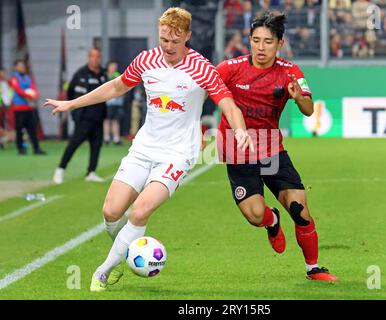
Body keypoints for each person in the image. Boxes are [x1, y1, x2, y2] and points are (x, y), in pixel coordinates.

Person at [44, 7, 253, 292]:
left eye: (174, 41)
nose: (168, 46)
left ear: (188, 37)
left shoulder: (202, 68)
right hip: (144, 148)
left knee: (139, 211)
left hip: (179, 153)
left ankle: (103, 272)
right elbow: (117, 87)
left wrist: (240, 130)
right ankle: (130, 251)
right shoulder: (146, 60)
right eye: (164, 39)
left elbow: (228, 103)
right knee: (110, 212)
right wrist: (71, 103)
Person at [216, 12, 337, 282]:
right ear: (249, 40)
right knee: (255, 214)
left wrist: (298, 98)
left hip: (271, 148)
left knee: (299, 209)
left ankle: (313, 268)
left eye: (268, 42)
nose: (261, 47)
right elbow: (206, 88)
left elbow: (308, 109)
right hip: (237, 148)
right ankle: (272, 221)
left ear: (279, 43)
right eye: (256, 40)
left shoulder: (289, 71)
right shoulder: (230, 68)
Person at [52, 48, 107, 184]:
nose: (95, 59)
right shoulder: (81, 74)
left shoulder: (103, 74)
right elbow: (70, 92)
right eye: (92, 56)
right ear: (89, 57)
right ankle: (60, 169)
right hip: (83, 118)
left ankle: (91, 172)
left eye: (97, 56)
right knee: (74, 144)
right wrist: (75, 112)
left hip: (98, 117)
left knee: (96, 146)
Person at [8, 59, 46, 155]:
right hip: (19, 108)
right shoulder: (14, 79)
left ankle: (36, 148)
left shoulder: (28, 78)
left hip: (29, 107)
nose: (22, 67)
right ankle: (21, 149)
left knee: (33, 129)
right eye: (20, 66)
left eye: (23, 66)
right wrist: (30, 96)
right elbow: (19, 91)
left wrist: (35, 95)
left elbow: (34, 88)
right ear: (15, 67)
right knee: (19, 129)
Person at [103, 61, 124, 146]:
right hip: (106, 103)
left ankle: (116, 138)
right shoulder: (104, 76)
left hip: (116, 103)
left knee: (115, 120)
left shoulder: (117, 75)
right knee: (106, 120)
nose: (113, 68)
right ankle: (106, 138)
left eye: (115, 66)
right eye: (112, 66)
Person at [0, 67, 13, 149]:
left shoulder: (5, 83)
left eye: (4, 72)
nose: (3, 74)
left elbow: (8, 95)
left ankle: (2, 140)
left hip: (2, 107)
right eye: (2, 72)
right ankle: (6, 136)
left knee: (3, 124)